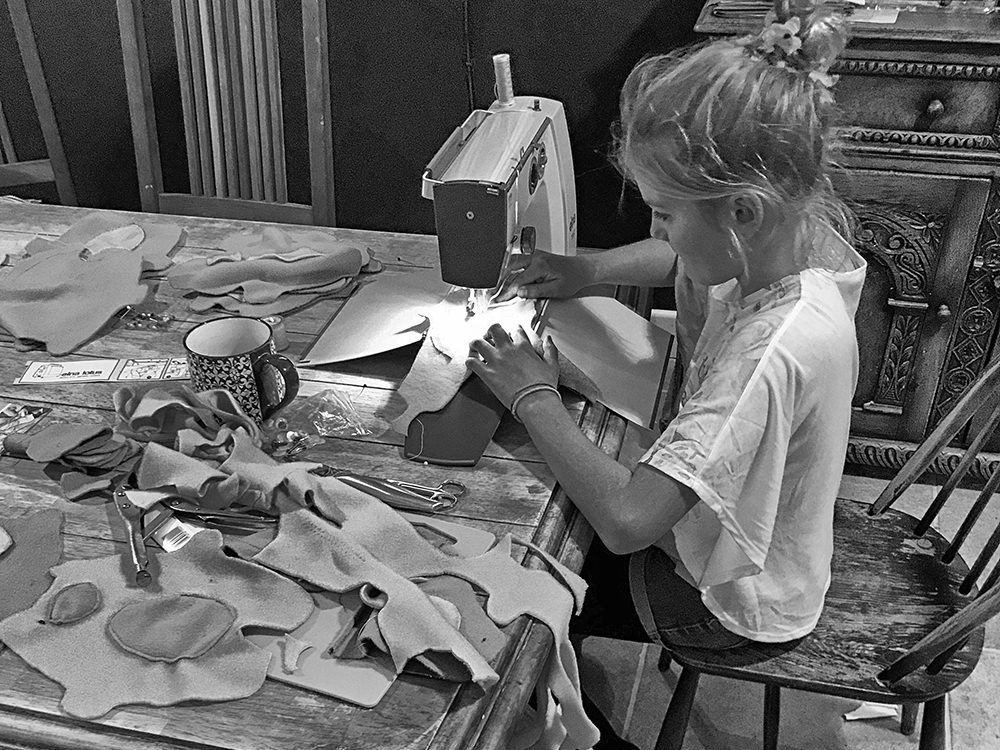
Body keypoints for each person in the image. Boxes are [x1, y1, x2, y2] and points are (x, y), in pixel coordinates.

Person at [468, 0, 866, 696]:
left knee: (522, 580)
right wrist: (583, 270)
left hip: (734, 604)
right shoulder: (798, 251)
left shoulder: (765, 355)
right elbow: (682, 256)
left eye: (667, 211)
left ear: (743, 211)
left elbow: (626, 524)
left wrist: (530, 394)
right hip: (771, 548)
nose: (659, 227)